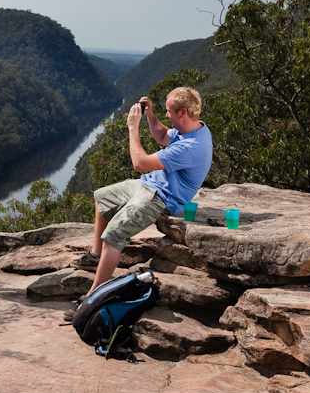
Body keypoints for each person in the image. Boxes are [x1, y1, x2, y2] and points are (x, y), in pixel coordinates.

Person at [65, 87, 212, 319]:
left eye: (168, 111)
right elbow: (162, 136)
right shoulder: (193, 128)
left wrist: (133, 127)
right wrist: (150, 115)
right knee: (102, 197)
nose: (166, 115)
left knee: (113, 236)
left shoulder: (191, 147)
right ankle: (95, 258)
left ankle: (93, 298)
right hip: (151, 183)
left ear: (182, 112)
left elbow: (140, 163)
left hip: (161, 197)